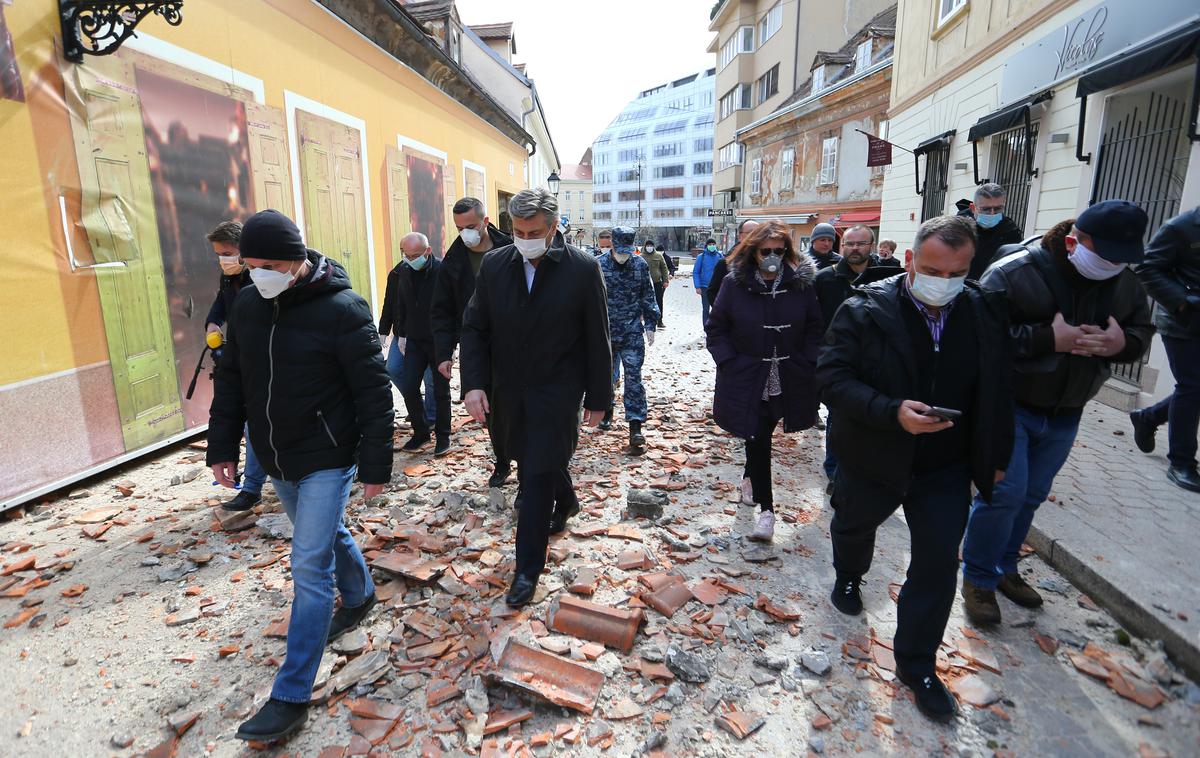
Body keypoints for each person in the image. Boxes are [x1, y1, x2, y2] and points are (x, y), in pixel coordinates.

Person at [817, 215, 1014, 722]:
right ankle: (848, 576)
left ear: (971, 267)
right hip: (873, 454)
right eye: (932, 270)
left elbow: (997, 390)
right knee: (854, 525)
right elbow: (832, 379)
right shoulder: (864, 308)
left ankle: (917, 665)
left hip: (944, 466)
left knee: (936, 561)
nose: (943, 283)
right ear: (909, 261)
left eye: (957, 273)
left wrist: (994, 460)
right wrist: (891, 412)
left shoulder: (984, 310)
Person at [207, 209, 393, 742]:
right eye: (250, 264)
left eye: (269, 265)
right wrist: (223, 445)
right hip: (278, 455)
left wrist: (376, 463)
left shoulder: (343, 309)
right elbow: (233, 381)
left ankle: (289, 697)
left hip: (328, 457)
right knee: (326, 532)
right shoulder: (247, 305)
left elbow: (374, 394)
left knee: (308, 566)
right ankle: (360, 596)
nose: (257, 273)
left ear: (296, 263)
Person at [961, 202, 1153, 625]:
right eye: (1105, 255)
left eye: (1122, 258)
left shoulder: (1124, 282)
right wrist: (1048, 338)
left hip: (1067, 410)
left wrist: (1121, 345)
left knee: (1030, 495)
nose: (1114, 265)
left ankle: (1004, 567)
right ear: (1074, 241)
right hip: (1010, 405)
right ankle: (977, 578)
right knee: (1005, 494)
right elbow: (975, 336)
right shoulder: (1013, 272)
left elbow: (1142, 330)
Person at [460, 189, 612, 607]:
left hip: (557, 391)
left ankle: (527, 569)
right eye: (519, 230)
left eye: (535, 231)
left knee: (535, 475)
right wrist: (472, 383)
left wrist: (600, 397)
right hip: (507, 389)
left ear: (554, 227)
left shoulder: (582, 270)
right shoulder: (494, 266)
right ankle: (567, 501)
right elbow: (475, 328)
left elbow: (599, 338)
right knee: (529, 458)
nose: (525, 238)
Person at [707, 221, 823, 542]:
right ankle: (767, 511)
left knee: (759, 436)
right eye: (766, 251)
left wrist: (807, 360)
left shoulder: (801, 284)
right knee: (759, 437)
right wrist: (729, 361)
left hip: (787, 375)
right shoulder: (735, 284)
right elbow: (716, 327)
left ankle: (748, 478)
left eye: (779, 250)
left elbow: (816, 327)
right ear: (754, 252)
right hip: (747, 375)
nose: (772, 256)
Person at [430, 197, 515, 486]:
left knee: (521, 404)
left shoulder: (512, 247)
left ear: (486, 221)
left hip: (517, 340)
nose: (465, 232)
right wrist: (444, 353)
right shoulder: (452, 262)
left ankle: (528, 467)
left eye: (470, 226)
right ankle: (502, 461)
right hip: (477, 344)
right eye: (459, 227)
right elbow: (441, 311)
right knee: (489, 409)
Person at [1131, 206, 1200, 492]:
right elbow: (1147, 268)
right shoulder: (1181, 227)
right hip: (1182, 321)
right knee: (1193, 386)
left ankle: (1147, 418)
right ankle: (1181, 463)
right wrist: (1183, 302)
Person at [204, 220, 269, 512]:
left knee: (255, 424)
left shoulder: (266, 278)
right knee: (249, 424)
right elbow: (220, 304)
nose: (224, 260)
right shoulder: (229, 278)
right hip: (239, 356)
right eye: (219, 254)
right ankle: (253, 486)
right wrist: (212, 324)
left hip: (265, 359)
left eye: (228, 252)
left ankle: (254, 486)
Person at [813, 225, 881, 488]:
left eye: (861, 244)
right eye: (850, 244)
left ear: (871, 245)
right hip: (837, 360)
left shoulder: (885, 278)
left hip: (876, 360)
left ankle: (865, 470)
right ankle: (835, 471)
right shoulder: (824, 279)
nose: (855, 249)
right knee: (839, 418)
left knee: (870, 418)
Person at [381, 233, 453, 456]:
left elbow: (455, 307)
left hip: (438, 341)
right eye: (406, 255)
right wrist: (398, 334)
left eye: (416, 255)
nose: (411, 259)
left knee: (440, 390)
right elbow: (398, 304)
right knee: (410, 386)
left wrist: (452, 342)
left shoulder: (443, 271)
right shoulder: (402, 271)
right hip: (413, 341)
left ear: (428, 251)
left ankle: (443, 437)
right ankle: (421, 432)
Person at [597, 227, 660, 444]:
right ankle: (607, 410)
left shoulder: (640, 265)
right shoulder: (598, 265)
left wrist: (651, 323)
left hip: (632, 331)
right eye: (620, 250)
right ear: (612, 245)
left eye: (628, 250)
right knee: (606, 376)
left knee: (634, 378)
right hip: (605, 332)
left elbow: (648, 296)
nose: (624, 255)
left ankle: (635, 425)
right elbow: (588, 299)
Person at [956, 183, 1023, 281]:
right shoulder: (957, 229)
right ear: (973, 208)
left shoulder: (1010, 231)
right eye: (986, 209)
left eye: (997, 209)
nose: (992, 213)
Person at [708, 219, 760, 307]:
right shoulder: (725, 264)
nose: (755, 237)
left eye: (759, 233)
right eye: (751, 233)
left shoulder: (767, 262)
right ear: (740, 237)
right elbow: (712, 294)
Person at [641, 239, 671, 329]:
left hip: (657, 282)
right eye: (648, 245)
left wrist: (666, 280)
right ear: (645, 247)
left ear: (653, 246)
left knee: (659, 301)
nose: (649, 247)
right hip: (645, 284)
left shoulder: (658, 256)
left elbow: (664, 268)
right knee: (645, 303)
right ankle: (647, 321)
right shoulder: (641, 257)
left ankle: (659, 320)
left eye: (651, 245)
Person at [693, 238, 723, 326]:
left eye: (713, 244)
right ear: (707, 246)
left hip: (718, 287)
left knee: (717, 309)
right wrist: (697, 286)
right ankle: (706, 327)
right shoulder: (701, 257)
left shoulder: (720, 256)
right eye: (710, 244)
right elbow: (696, 272)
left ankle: (716, 327)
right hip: (705, 287)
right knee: (706, 309)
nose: (712, 246)